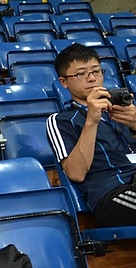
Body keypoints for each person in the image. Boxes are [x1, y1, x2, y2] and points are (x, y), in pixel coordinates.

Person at [46, 43, 136, 227]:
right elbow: (76, 173)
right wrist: (91, 120)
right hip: (112, 194)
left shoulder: (122, 110)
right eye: (81, 74)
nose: (92, 78)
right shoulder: (61, 120)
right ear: (64, 82)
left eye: (96, 71)